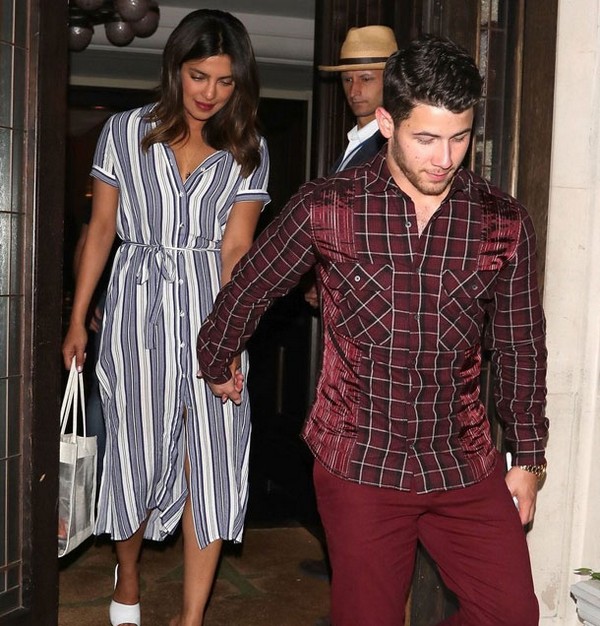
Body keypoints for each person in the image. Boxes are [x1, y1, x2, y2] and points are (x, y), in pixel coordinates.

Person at [196, 35, 548, 626]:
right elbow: (252, 286)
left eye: (459, 137)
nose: (445, 158)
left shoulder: (502, 221)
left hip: (462, 460)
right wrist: (217, 356)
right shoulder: (328, 206)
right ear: (387, 123)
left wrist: (529, 456)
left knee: (511, 615)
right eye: (426, 138)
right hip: (360, 460)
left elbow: (521, 344)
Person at [62, 9, 270, 626]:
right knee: (136, 451)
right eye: (198, 76)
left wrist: (229, 339)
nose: (210, 93)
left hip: (212, 309)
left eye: (225, 81)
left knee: (213, 457)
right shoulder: (125, 132)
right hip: (136, 310)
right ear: (174, 68)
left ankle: (191, 617)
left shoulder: (247, 149)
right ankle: (128, 573)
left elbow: (237, 249)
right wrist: (77, 317)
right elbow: (102, 229)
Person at [304, 25, 398, 308]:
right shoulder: (355, 144)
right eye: (347, 80)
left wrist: (336, 281)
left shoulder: (392, 147)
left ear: (391, 81)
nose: (354, 91)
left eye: (366, 79)